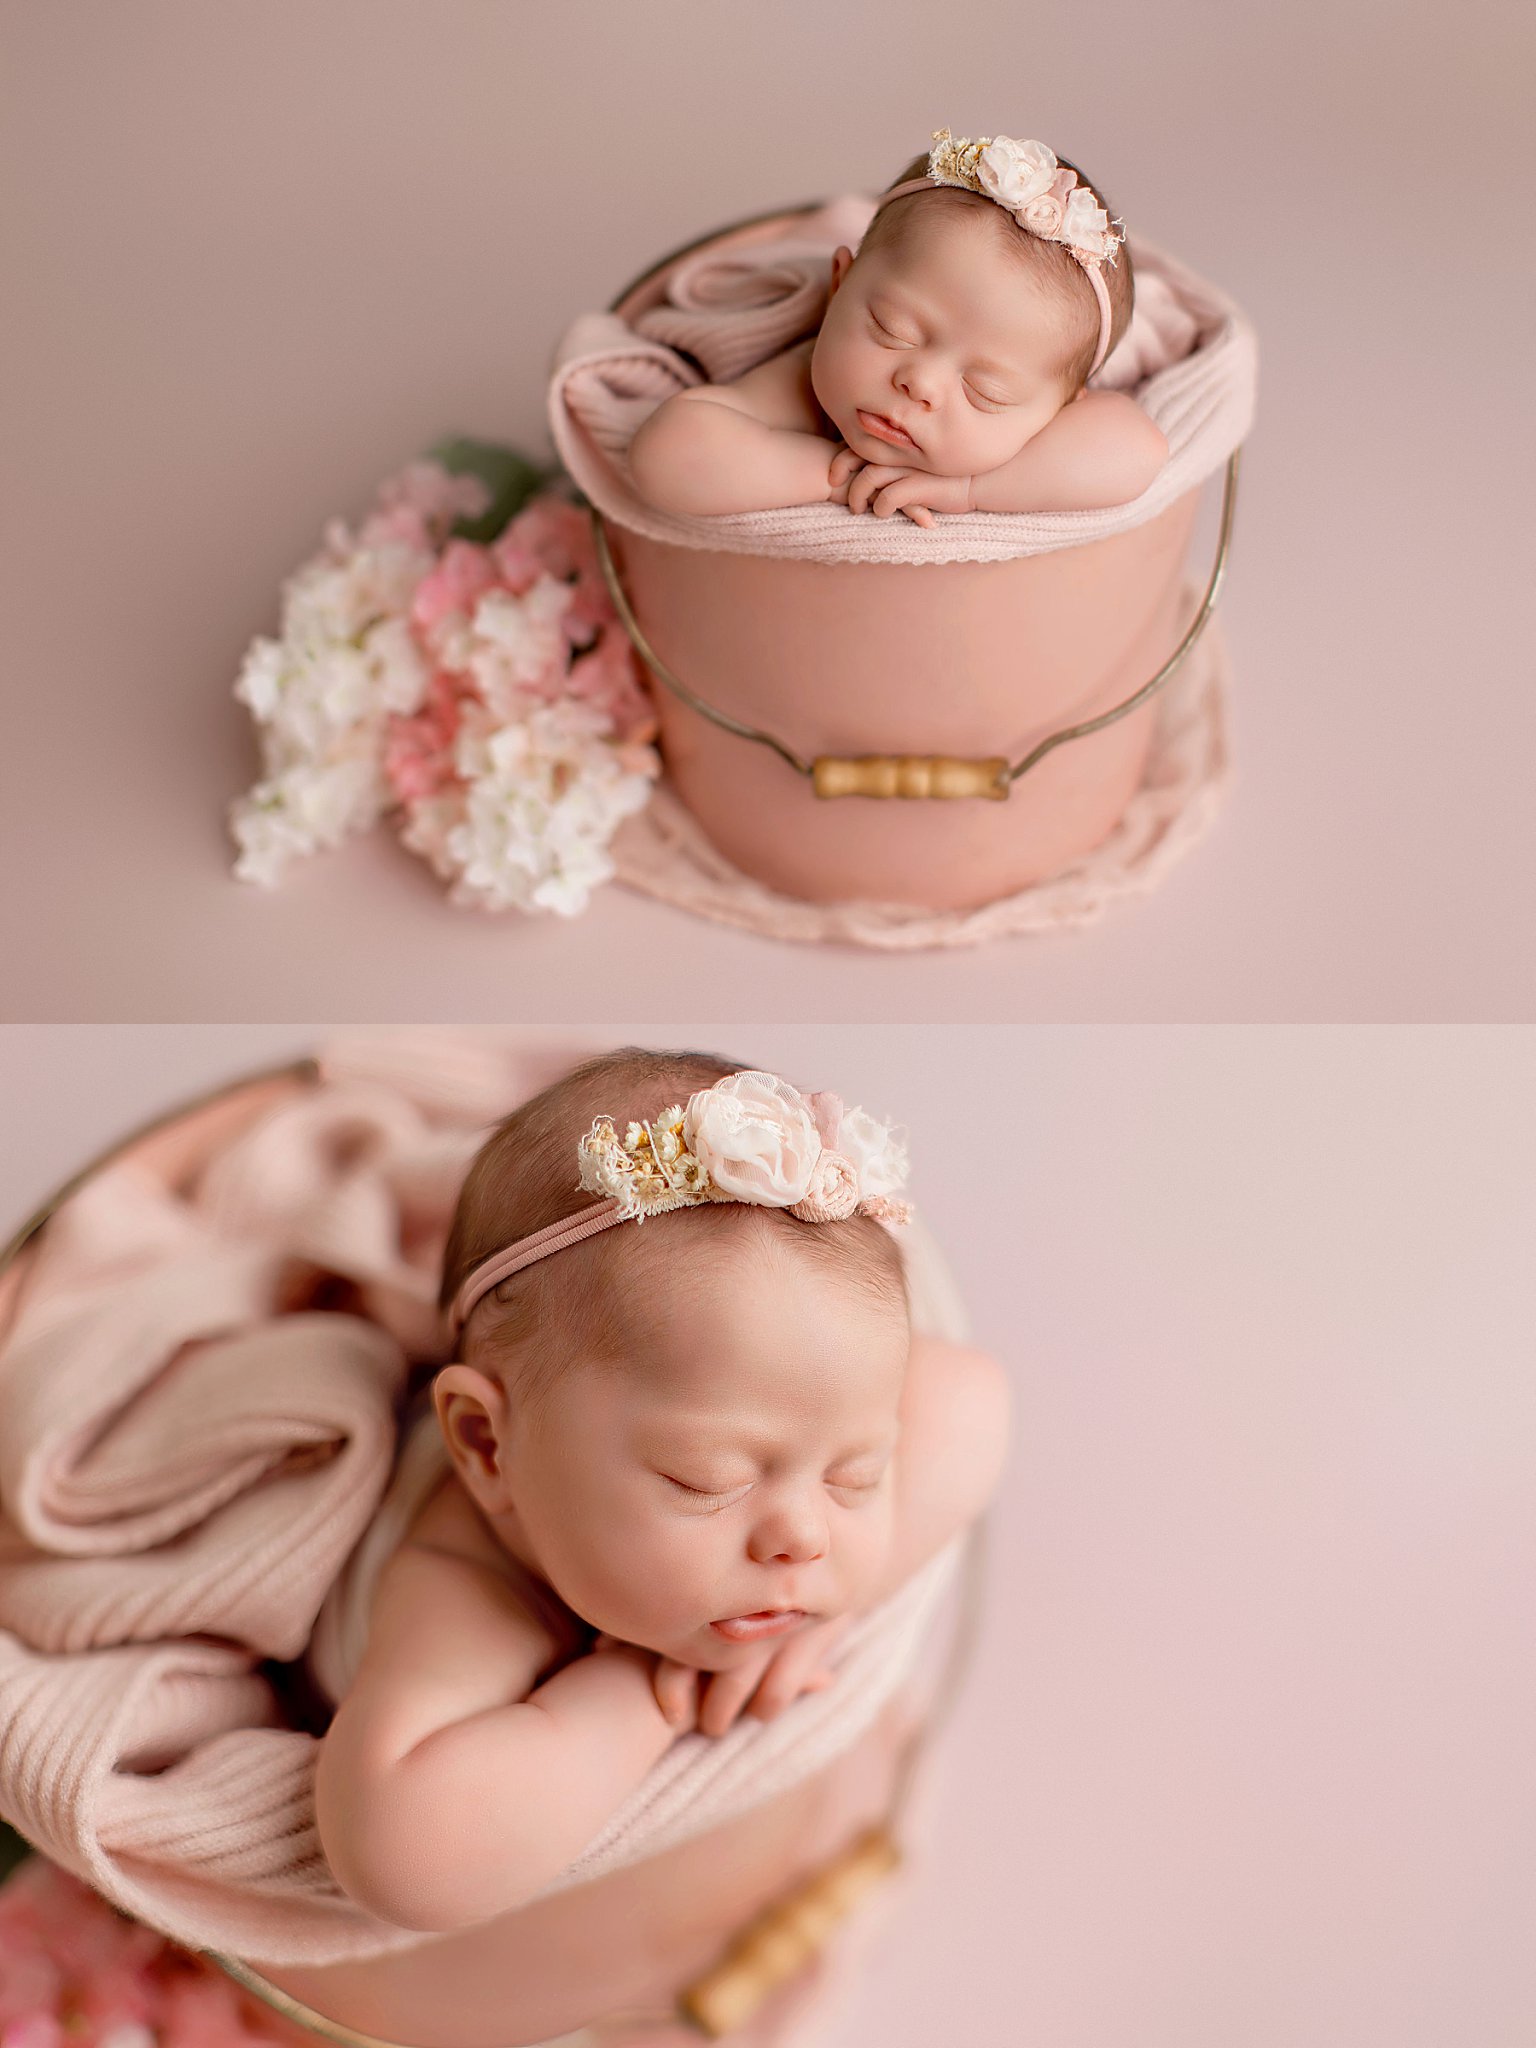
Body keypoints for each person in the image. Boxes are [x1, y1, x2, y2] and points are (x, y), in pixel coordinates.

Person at [628, 127, 1169, 526]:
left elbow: (1138, 449)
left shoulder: (1048, 419)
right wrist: (833, 475)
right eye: (892, 330)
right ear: (838, 287)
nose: (920, 383)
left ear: (1063, 406)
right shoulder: (802, 387)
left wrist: (971, 487)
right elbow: (666, 456)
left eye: (986, 391)